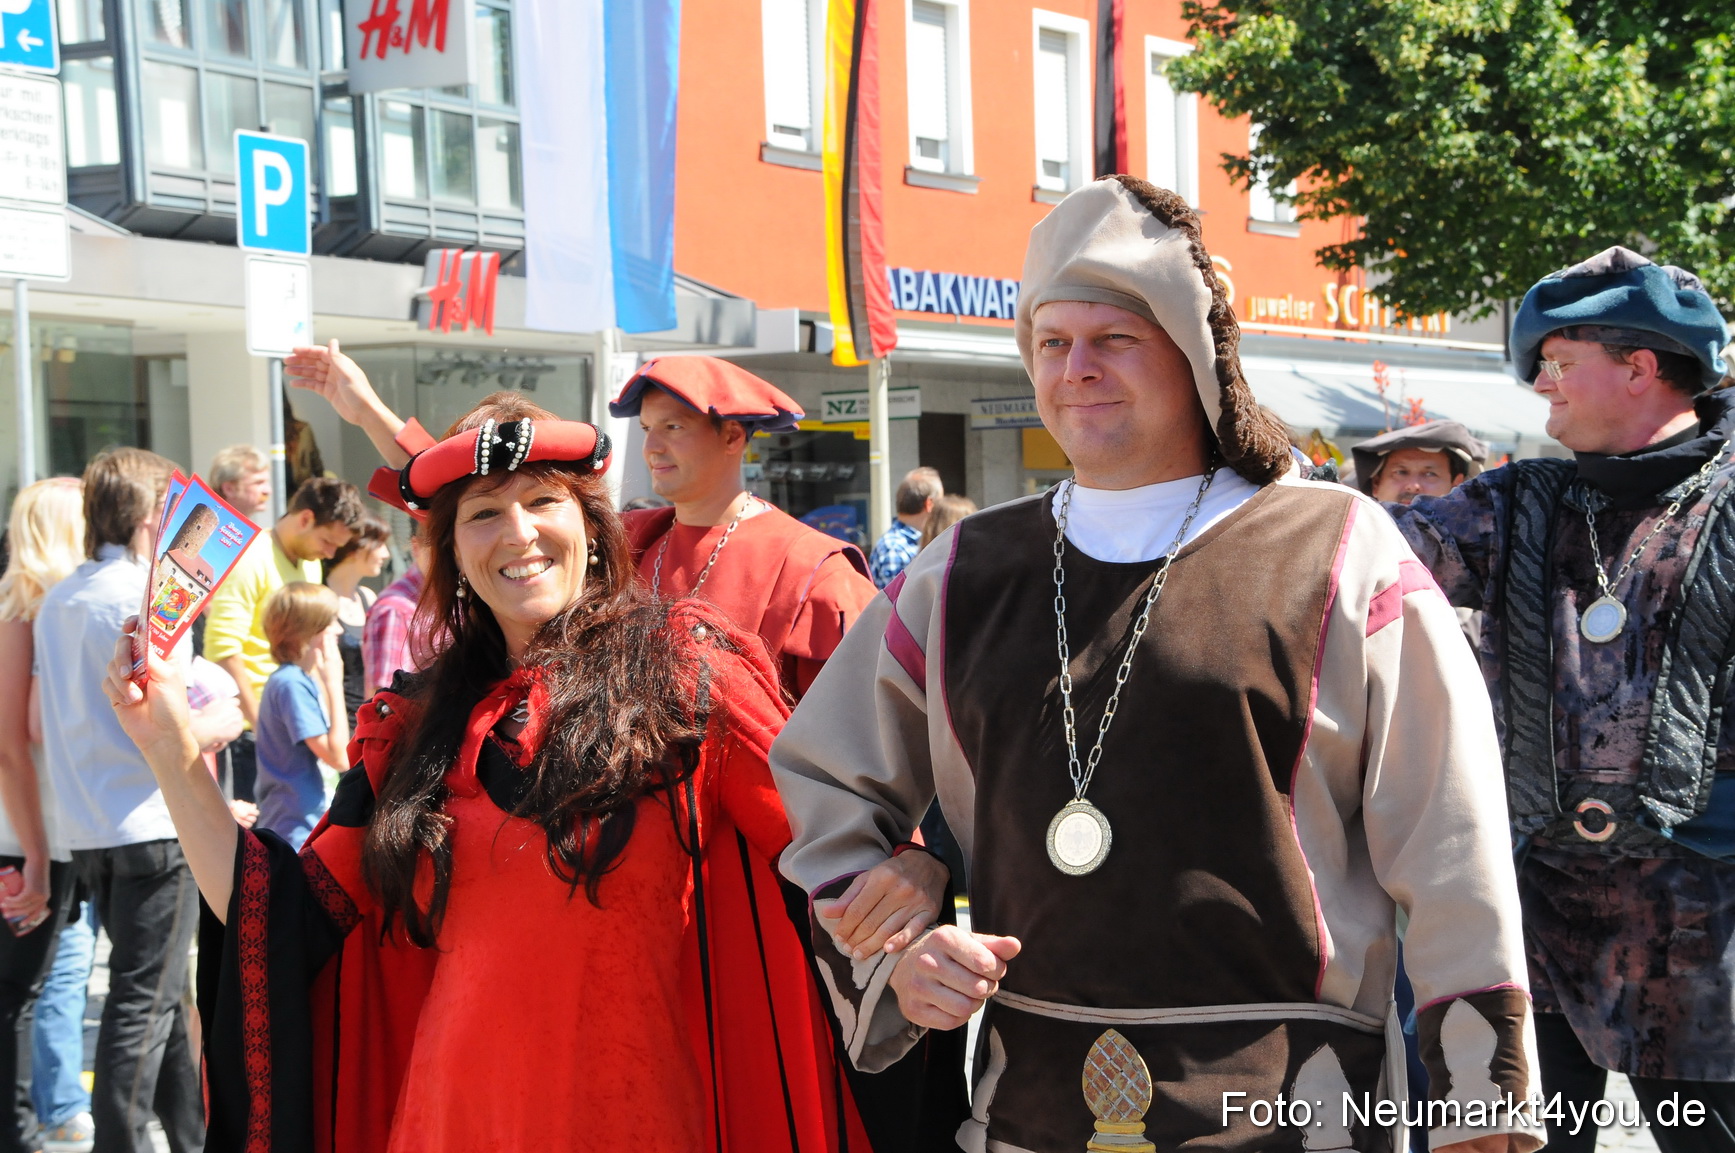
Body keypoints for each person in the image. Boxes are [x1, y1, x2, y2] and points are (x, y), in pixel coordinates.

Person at [769, 176, 1542, 1153]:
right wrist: (895, 934)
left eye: (1113, 340)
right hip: (1031, 1113)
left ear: (1192, 357)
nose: (1076, 368)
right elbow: (822, 779)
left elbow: (1450, 840)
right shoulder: (963, 571)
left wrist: (1484, 1101)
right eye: (1053, 343)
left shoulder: (1338, 547)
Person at [101, 395, 880, 1153]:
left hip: (637, 1117)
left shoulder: (686, 676)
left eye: (543, 500)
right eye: (482, 512)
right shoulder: (411, 728)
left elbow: (832, 849)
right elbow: (282, 920)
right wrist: (168, 752)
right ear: (453, 554)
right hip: (449, 1119)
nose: (519, 532)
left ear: (593, 527)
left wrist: (911, 912)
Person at [1388, 247, 1735, 1153]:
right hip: (1536, 937)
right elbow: (1356, 561)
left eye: (1557, 358)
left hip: (1709, 943)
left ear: (1639, 366)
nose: (1539, 382)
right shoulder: (1511, 504)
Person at [35, 448, 244, 1153]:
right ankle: (122, 1142)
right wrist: (225, 720)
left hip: (91, 822)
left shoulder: (60, 597)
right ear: (157, 513)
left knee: (158, 997)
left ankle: (189, 1139)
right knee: (145, 1002)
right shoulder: (139, 595)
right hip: (154, 819)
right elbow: (172, 717)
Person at [0, 479, 85, 1153]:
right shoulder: (26, 608)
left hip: (42, 835)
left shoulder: (40, 607)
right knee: (17, 995)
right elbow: (14, 743)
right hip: (27, 837)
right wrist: (33, 854)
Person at [203, 477, 365, 803]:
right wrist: (261, 728)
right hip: (254, 735)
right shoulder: (249, 559)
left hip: (294, 723)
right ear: (305, 519)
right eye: (328, 541)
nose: (331, 552)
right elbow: (223, 649)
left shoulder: (309, 564)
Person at [253, 583, 348, 851]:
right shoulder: (290, 683)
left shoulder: (299, 679)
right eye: (331, 623)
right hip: (295, 831)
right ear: (307, 631)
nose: (339, 630)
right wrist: (334, 684)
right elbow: (339, 756)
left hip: (306, 824)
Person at [322, 516, 388, 720]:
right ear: (356, 548)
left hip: (369, 720)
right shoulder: (320, 601)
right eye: (379, 544)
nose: (385, 554)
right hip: (335, 724)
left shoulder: (368, 597)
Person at [1353, 421, 1489, 506]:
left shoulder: (1477, 549)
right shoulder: (1349, 546)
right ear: (1376, 484)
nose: (1413, 486)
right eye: (1401, 472)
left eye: (1430, 474)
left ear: (1457, 486)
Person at [868, 468, 943, 588]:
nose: (942, 509)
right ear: (929, 504)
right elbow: (896, 604)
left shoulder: (905, 544)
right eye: (941, 502)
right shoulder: (894, 548)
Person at [208, 446, 271, 523]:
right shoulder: (209, 529)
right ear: (229, 489)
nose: (268, 491)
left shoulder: (258, 533)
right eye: (258, 483)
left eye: (266, 482)